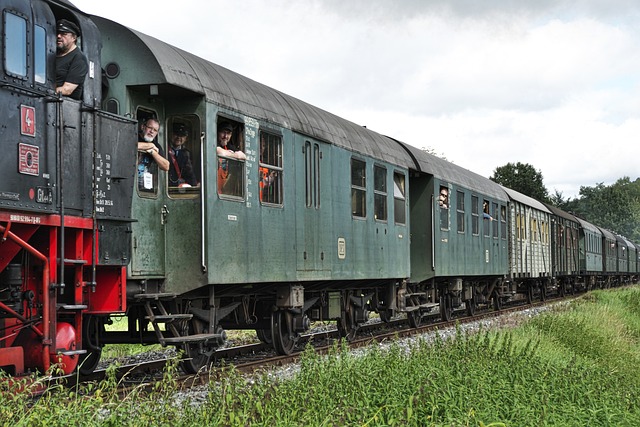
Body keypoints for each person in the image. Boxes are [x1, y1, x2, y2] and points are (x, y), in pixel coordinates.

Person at [55, 19, 88, 100]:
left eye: (64, 34)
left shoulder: (79, 58)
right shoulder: (54, 54)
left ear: (73, 37)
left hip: (65, 103)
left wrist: (46, 90)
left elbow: (67, 90)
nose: (58, 36)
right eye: (58, 33)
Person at [137, 118, 169, 191]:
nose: (152, 131)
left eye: (155, 130)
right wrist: (149, 146)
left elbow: (166, 166)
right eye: (150, 128)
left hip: (145, 186)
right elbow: (129, 145)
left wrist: (153, 152)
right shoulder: (134, 136)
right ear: (143, 127)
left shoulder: (156, 145)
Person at [216, 121, 246, 193]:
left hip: (224, 191)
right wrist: (234, 155)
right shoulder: (214, 142)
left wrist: (232, 154)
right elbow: (220, 152)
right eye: (223, 132)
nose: (225, 136)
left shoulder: (229, 147)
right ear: (217, 133)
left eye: (228, 133)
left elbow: (243, 156)